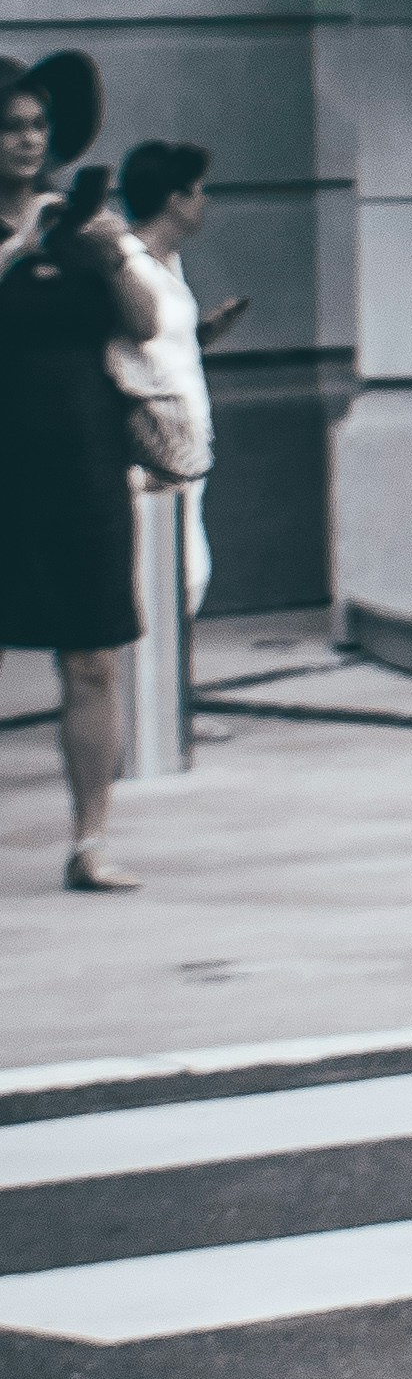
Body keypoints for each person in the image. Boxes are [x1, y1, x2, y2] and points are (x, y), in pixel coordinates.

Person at [0, 157, 145, 890]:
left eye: (35, 124)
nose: (25, 139)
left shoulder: (77, 227)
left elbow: (145, 323)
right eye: (10, 123)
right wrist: (14, 255)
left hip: (85, 466)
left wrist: (117, 253)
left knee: (93, 658)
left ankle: (90, 841)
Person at [103, 140, 236, 621]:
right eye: (198, 190)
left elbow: (157, 347)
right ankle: (149, 692)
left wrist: (201, 336)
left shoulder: (168, 262)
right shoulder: (125, 263)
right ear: (175, 199)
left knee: (188, 573)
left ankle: (166, 690)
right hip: (152, 452)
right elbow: (120, 350)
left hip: (187, 443)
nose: (205, 201)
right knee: (161, 576)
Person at [0, 47, 100, 266]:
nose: (30, 140)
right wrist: (19, 246)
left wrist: (120, 257)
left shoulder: (63, 217)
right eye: (12, 127)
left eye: (39, 125)